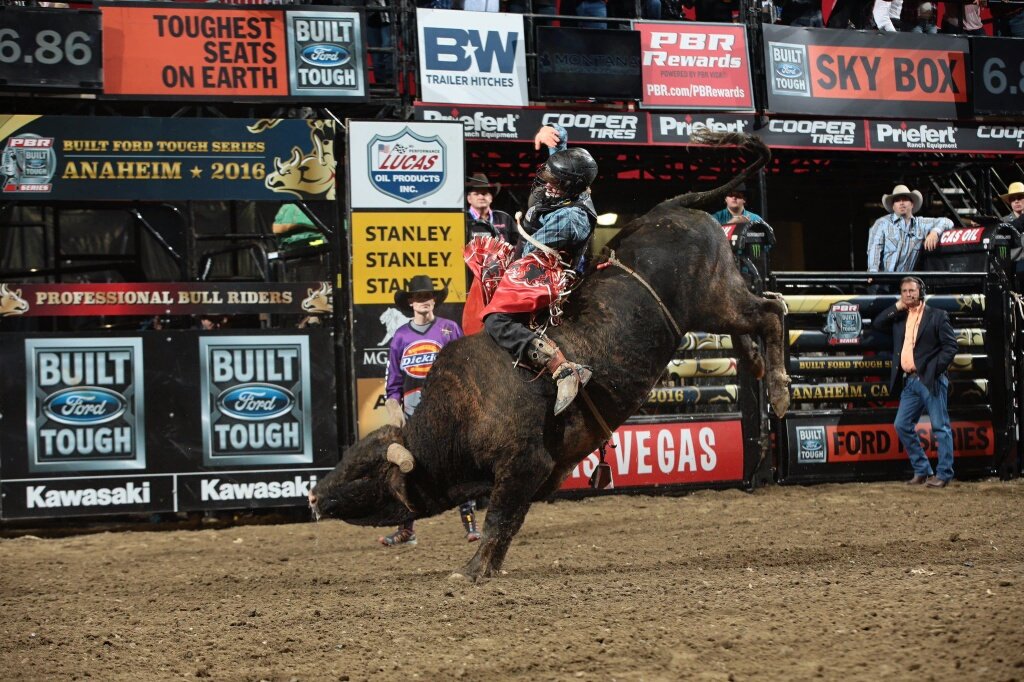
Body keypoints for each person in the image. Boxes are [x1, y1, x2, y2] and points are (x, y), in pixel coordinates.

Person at [469, 124, 598, 416]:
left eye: (556, 181)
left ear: (571, 186)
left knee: (495, 320)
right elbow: (560, 153)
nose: (548, 183)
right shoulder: (572, 187)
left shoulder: (570, 219)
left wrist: (512, 259)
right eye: (550, 176)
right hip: (537, 259)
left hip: (549, 272)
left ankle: (559, 365)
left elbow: (531, 251)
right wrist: (553, 132)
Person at [380, 275, 481, 547]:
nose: (424, 301)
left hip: (447, 409)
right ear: (411, 302)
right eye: (419, 297)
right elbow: (392, 383)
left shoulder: (449, 329)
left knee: (459, 465)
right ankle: (406, 530)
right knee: (408, 469)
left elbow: (466, 367)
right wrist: (394, 407)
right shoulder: (400, 337)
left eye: (428, 296)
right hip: (413, 414)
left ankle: (471, 525)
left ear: (434, 300)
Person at [872, 276, 957, 488]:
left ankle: (944, 474)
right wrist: (898, 306)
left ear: (921, 292)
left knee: (940, 427)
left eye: (912, 290)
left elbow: (951, 346)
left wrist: (934, 369)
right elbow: (878, 322)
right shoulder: (899, 317)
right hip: (909, 381)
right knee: (901, 425)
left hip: (931, 380)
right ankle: (922, 469)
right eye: (904, 291)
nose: (908, 294)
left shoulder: (937, 316)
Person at [867, 184, 953, 273]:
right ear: (893, 206)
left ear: (912, 204)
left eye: (904, 199)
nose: (901, 203)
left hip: (905, 282)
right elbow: (875, 249)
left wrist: (934, 232)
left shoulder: (920, 224)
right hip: (882, 280)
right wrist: (873, 272)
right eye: (897, 200)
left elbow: (947, 221)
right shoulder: (881, 223)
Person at [465, 173, 516, 246]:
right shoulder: (462, 219)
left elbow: (517, 244)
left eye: (484, 193)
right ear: (469, 199)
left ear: (491, 198)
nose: (481, 197)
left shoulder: (504, 218)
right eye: (476, 194)